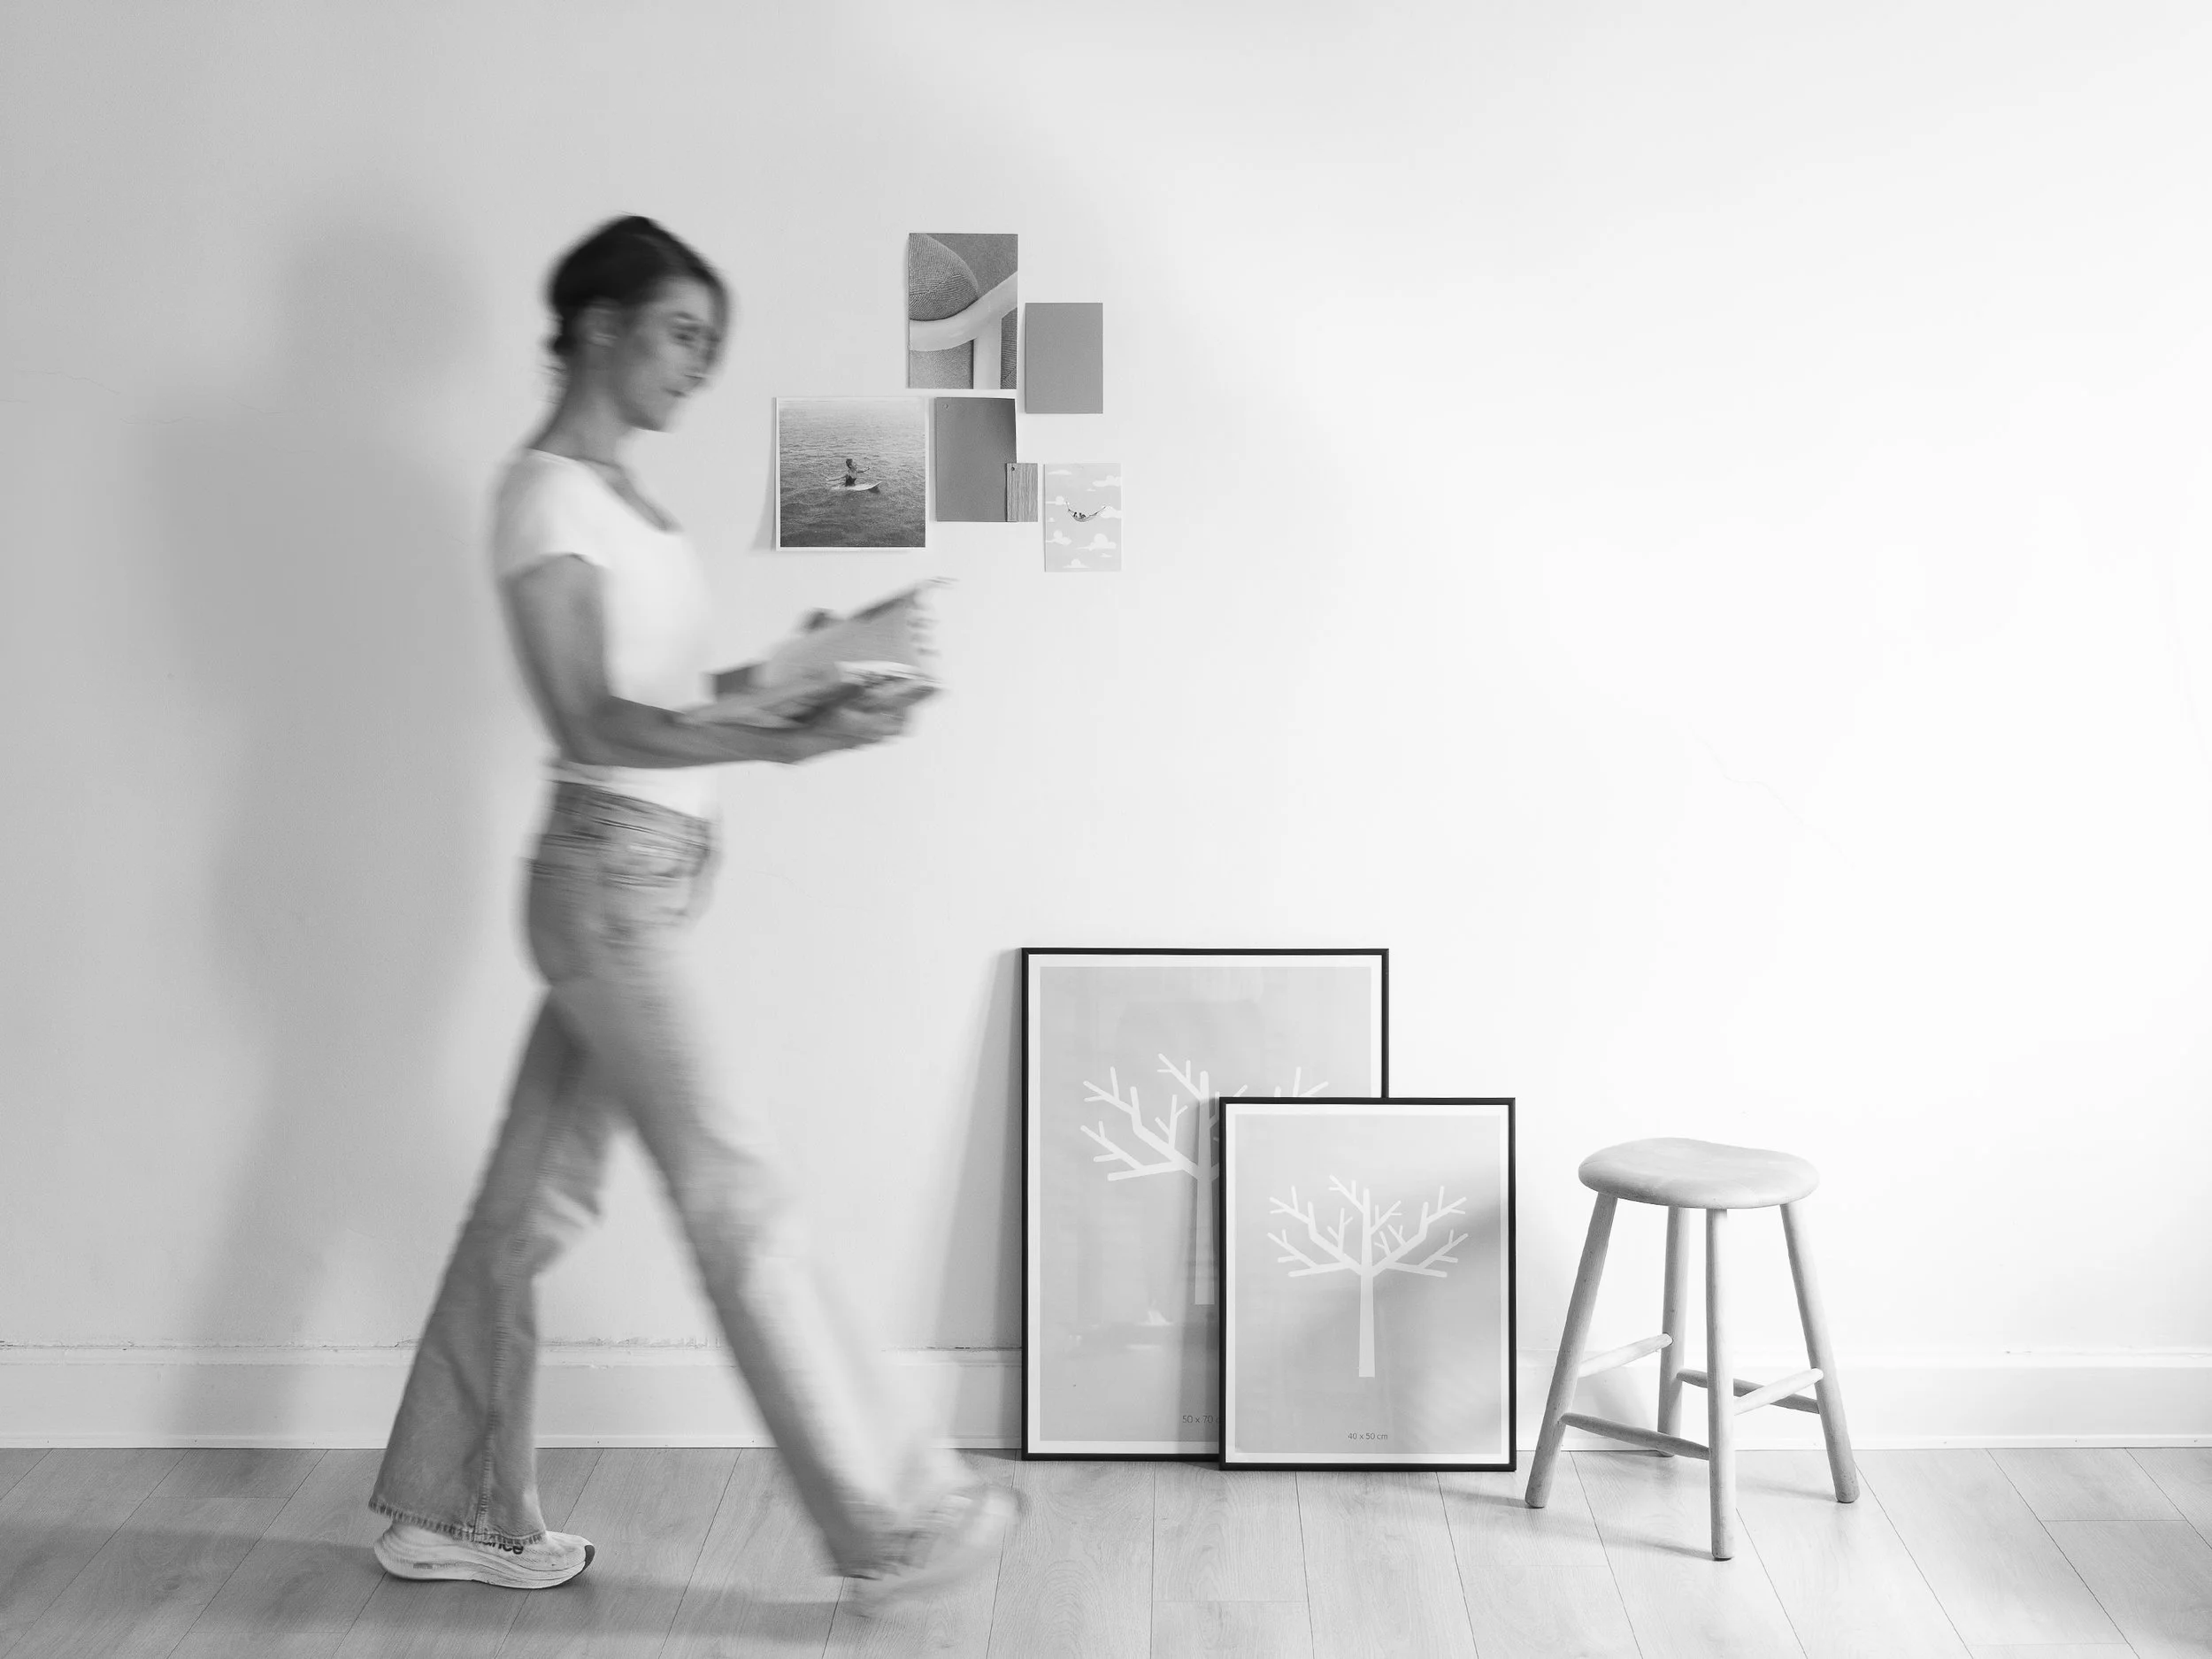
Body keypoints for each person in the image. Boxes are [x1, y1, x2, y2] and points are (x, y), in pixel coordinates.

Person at [366, 215, 1017, 1603]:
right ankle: (885, 1519)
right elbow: (589, 716)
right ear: (598, 324)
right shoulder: (543, 494)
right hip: (605, 886)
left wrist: (810, 692)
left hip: (645, 876)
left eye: (712, 347)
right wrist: (771, 738)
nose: (698, 366)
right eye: (680, 332)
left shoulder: (627, 505)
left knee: (521, 1213)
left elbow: (668, 697)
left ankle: (448, 1509)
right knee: (739, 1196)